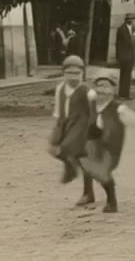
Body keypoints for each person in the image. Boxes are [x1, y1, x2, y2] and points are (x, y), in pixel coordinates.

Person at [77, 68, 135, 213]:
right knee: (85, 159)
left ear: (113, 90)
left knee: (101, 170)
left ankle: (112, 201)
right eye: (99, 86)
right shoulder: (91, 106)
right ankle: (88, 193)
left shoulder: (118, 109)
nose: (102, 90)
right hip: (94, 144)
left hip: (110, 148)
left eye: (106, 86)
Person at [47, 55, 93, 206]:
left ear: (82, 74)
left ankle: (88, 192)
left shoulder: (85, 90)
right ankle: (71, 165)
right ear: (64, 74)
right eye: (70, 73)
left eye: (77, 74)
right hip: (65, 123)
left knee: (76, 153)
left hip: (82, 126)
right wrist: (56, 131)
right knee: (52, 148)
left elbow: (95, 109)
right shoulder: (60, 89)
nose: (73, 77)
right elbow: (58, 111)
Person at [115, 13, 135, 100]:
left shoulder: (133, 29)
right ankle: (121, 94)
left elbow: (133, 42)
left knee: (128, 76)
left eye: (132, 19)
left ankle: (126, 94)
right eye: (129, 19)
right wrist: (119, 55)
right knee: (123, 75)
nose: (131, 20)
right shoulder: (121, 29)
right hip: (123, 56)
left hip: (130, 55)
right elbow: (118, 44)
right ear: (126, 20)